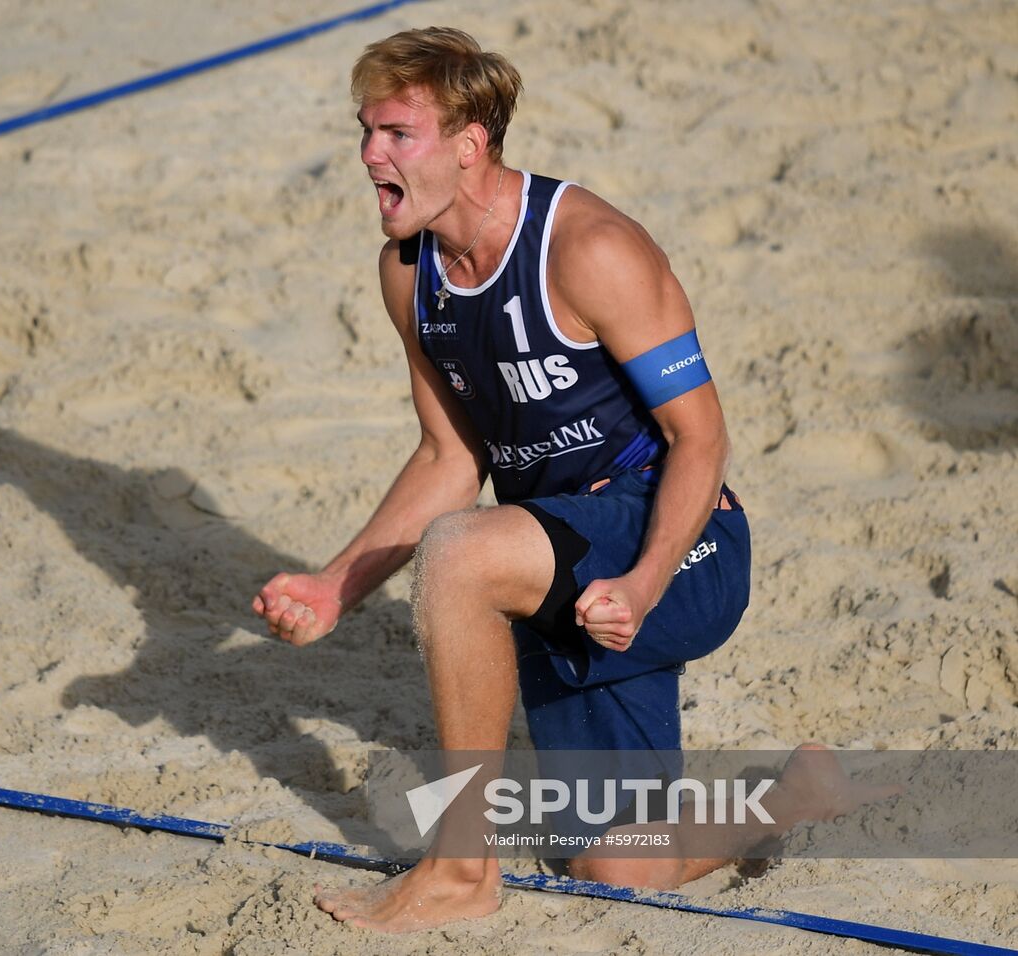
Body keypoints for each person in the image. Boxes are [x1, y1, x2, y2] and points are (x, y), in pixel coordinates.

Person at [252, 27, 888, 933]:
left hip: (678, 541)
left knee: (461, 555)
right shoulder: (409, 275)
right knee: (614, 866)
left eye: (396, 133)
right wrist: (335, 585)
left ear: (470, 144)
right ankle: (796, 794)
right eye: (365, 130)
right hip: (556, 560)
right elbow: (450, 458)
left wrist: (644, 578)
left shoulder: (588, 247)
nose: (368, 155)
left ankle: (461, 869)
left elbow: (701, 441)